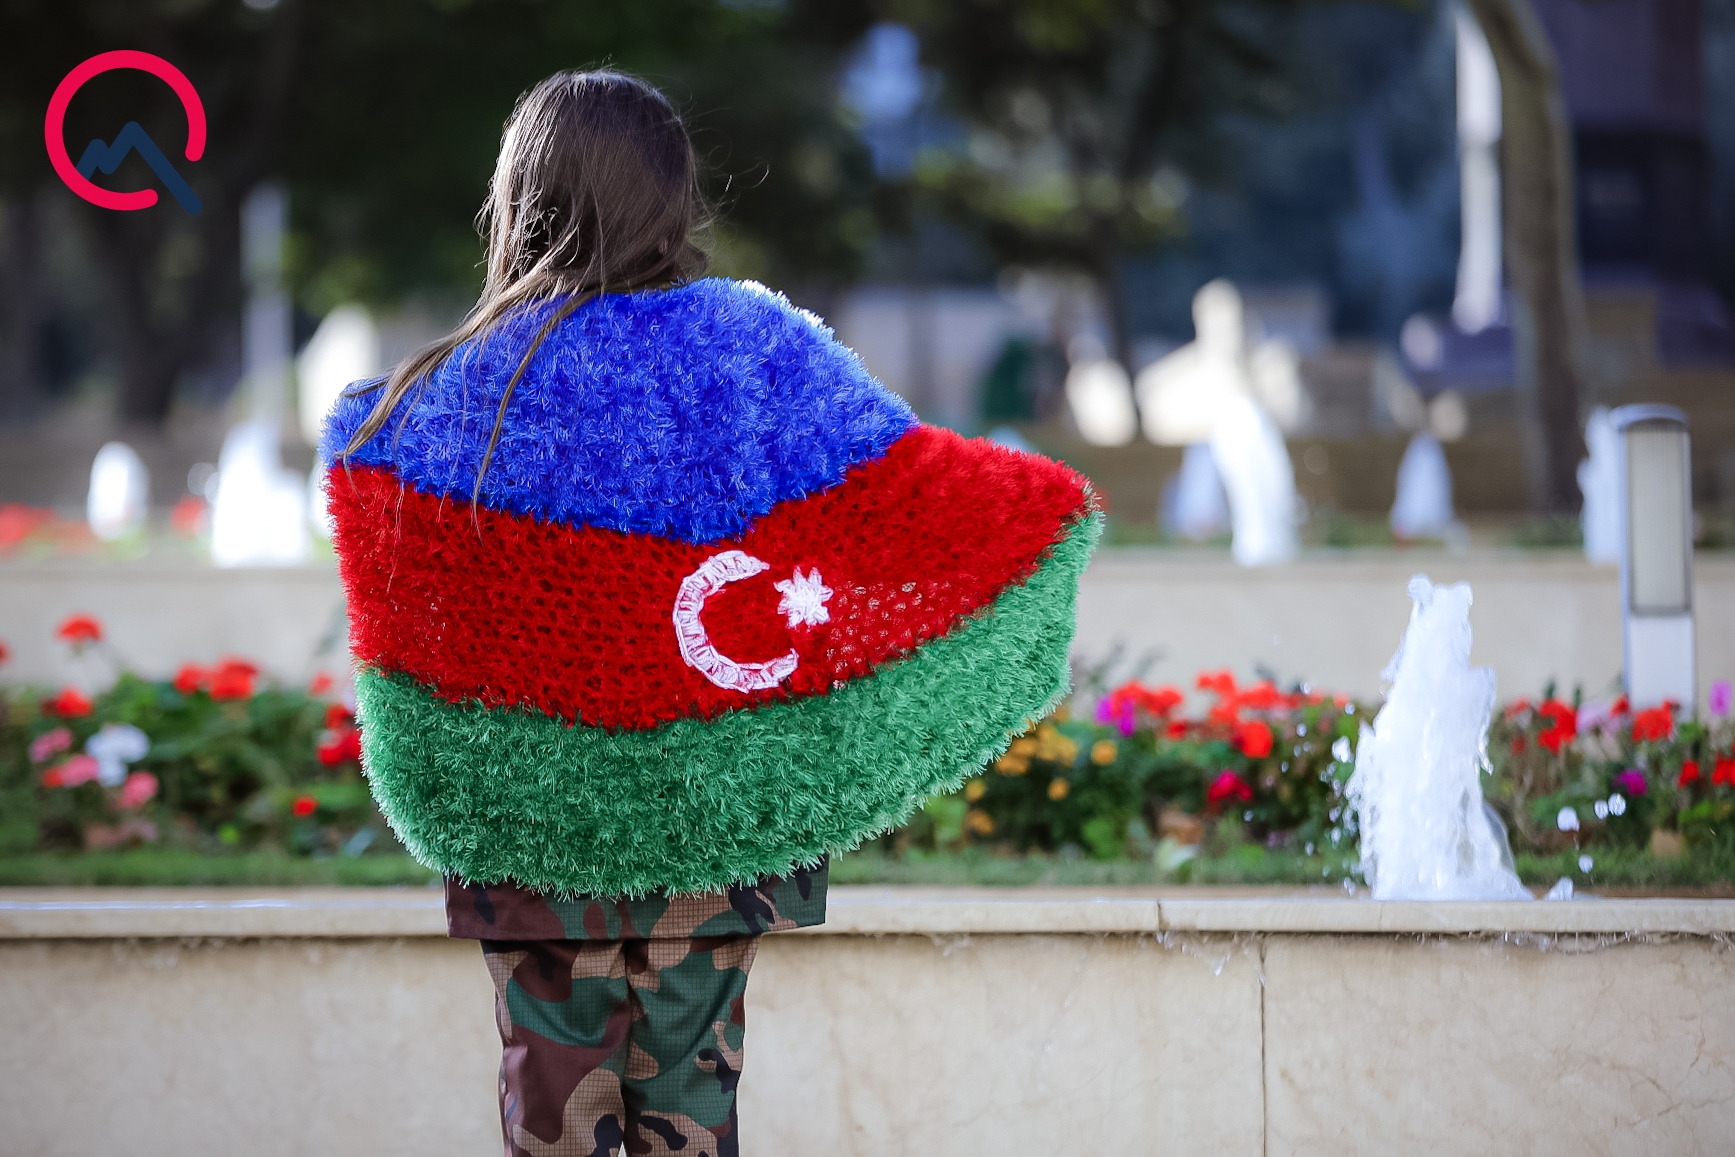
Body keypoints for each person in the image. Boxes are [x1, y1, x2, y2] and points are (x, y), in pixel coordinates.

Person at [322, 69, 1096, 1157]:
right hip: (711, 835)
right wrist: (1043, 510)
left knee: (550, 1120)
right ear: (672, 198)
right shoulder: (753, 349)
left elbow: (420, 605)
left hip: (532, 846)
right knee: (695, 1110)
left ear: (517, 198)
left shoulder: (432, 398)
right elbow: (899, 491)